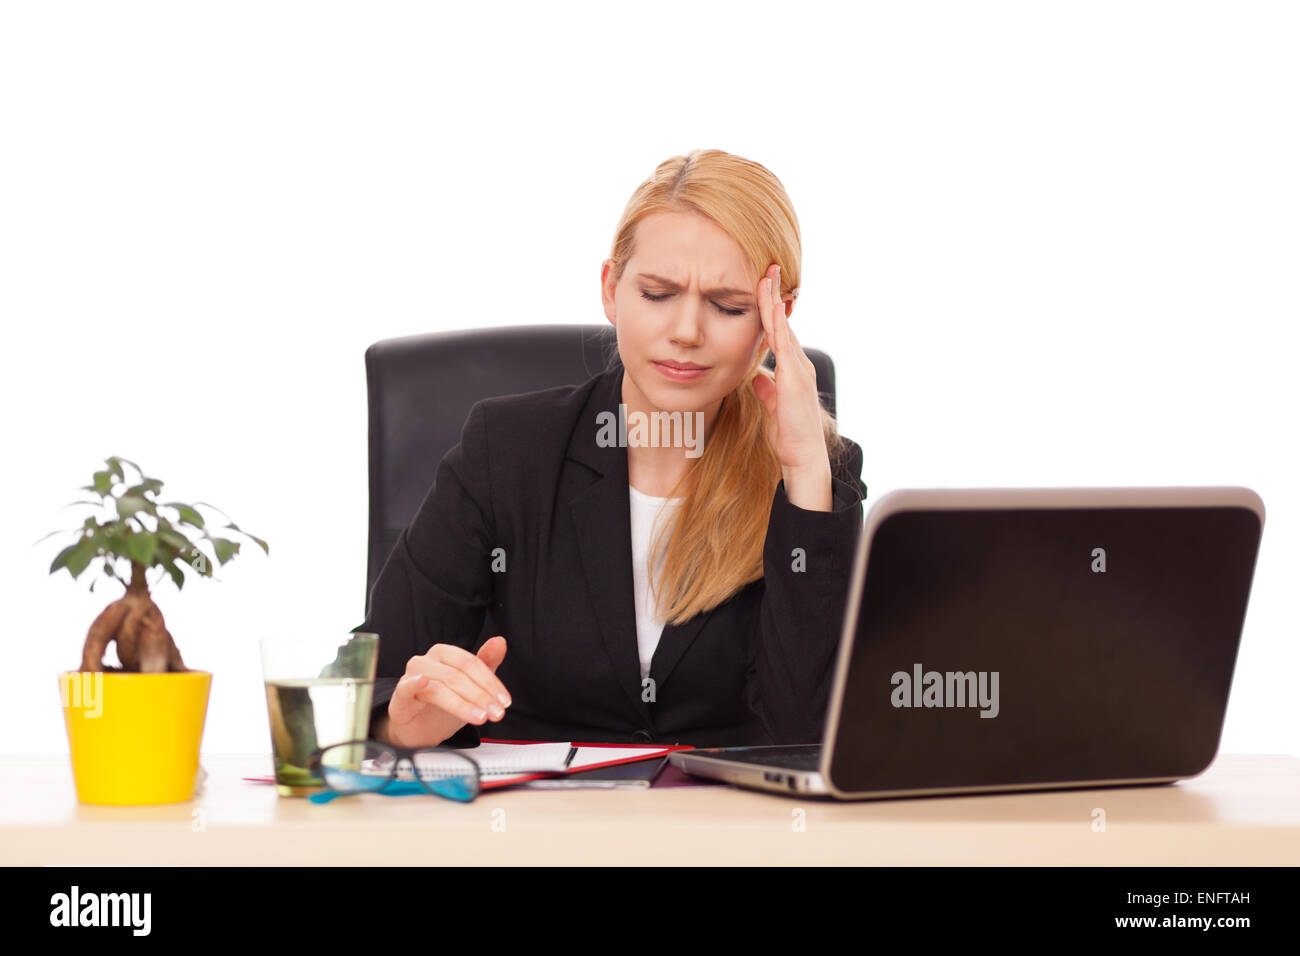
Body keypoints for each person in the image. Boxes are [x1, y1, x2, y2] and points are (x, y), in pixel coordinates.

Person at [355, 148, 867, 749]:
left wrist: (805, 472)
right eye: (657, 294)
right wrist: (401, 724)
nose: (686, 332)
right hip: (538, 834)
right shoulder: (507, 453)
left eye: (727, 306)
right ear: (610, 289)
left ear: (775, 316)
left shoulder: (818, 479)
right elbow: (369, 685)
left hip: (732, 837)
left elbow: (813, 737)